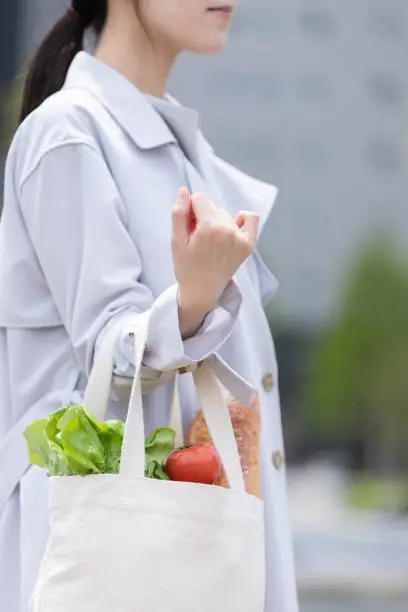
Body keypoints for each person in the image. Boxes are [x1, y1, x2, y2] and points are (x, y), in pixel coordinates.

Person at [0, 1, 298, 611]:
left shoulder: (185, 157)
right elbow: (104, 364)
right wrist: (191, 300)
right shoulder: (69, 134)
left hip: (186, 563)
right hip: (113, 564)